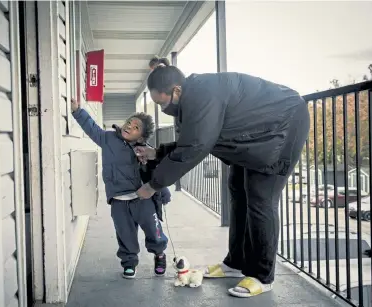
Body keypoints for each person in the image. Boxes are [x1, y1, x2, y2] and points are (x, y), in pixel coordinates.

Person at [134, 58, 310, 297]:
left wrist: (154, 184)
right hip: (252, 137)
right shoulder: (192, 96)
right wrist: (157, 153)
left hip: (284, 125)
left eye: (162, 103)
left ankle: (262, 275)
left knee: (260, 199)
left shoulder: (202, 96)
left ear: (175, 90)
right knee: (237, 191)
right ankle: (236, 263)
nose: (164, 109)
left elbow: (194, 147)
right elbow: (196, 139)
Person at [70, 99, 171, 279]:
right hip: (118, 199)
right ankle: (129, 262)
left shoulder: (144, 150)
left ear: (141, 137)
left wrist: (163, 191)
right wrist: (78, 111)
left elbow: (155, 173)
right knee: (124, 233)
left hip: (143, 198)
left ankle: (159, 254)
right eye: (129, 123)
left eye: (135, 127)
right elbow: (91, 128)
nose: (129, 127)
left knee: (153, 229)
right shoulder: (108, 139)